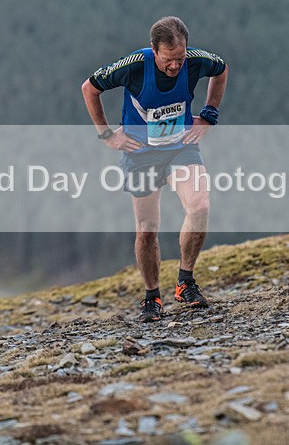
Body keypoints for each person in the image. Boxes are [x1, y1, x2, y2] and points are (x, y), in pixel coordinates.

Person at [81, 16, 228, 322]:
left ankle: (185, 282)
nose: (175, 66)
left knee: (199, 206)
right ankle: (152, 298)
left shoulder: (197, 61)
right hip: (141, 154)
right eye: (168, 60)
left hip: (181, 147)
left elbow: (222, 69)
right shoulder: (134, 65)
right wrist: (107, 135)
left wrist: (209, 114)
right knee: (147, 230)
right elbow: (89, 88)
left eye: (180, 58)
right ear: (154, 50)